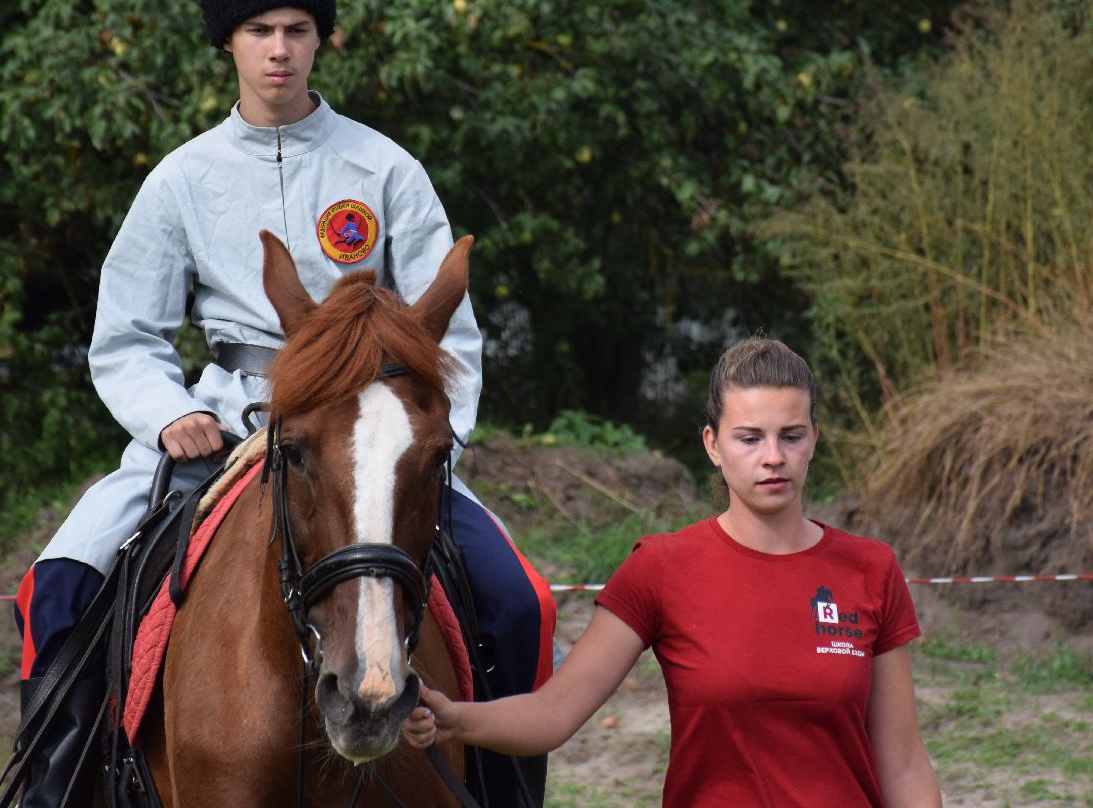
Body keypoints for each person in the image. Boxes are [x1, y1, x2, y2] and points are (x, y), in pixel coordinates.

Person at [11, 0, 555, 806]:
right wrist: (163, 415)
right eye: (259, 30)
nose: (278, 48)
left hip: (370, 436)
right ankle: (58, 785)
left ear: (321, 40)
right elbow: (125, 336)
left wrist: (422, 441)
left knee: (518, 598)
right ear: (228, 42)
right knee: (62, 582)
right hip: (227, 419)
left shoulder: (385, 169)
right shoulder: (181, 180)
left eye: (297, 29)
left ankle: (506, 789)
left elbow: (451, 338)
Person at [403, 337, 942, 808]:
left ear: (815, 440)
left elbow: (904, 765)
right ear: (712, 444)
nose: (773, 456)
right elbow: (554, 711)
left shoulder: (870, 569)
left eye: (792, 436)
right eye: (750, 438)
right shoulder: (660, 568)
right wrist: (455, 718)